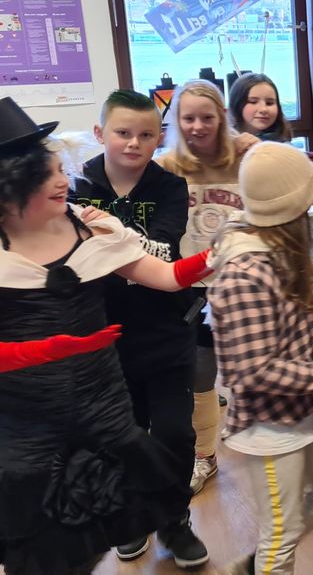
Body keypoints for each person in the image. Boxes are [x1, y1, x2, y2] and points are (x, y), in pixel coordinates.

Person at [0, 96, 213, 575]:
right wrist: (41, 351)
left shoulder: (87, 226)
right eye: (47, 175)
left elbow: (162, 273)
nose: (63, 182)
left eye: (61, 170)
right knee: (46, 531)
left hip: (109, 390)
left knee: (155, 450)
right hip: (31, 417)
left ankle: (163, 524)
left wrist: (214, 257)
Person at [68, 89, 209, 566]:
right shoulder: (74, 184)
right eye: (122, 133)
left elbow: (165, 251)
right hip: (104, 338)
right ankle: (132, 517)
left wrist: (111, 237)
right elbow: (70, 255)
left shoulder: (169, 187)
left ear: (159, 138)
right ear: (99, 133)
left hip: (166, 330)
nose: (133, 143)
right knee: (123, 436)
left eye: (146, 135)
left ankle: (174, 521)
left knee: (173, 433)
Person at [209, 143, 313, 575]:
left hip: (304, 407)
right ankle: (264, 564)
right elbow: (253, 371)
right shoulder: (245, 272)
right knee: (281, 533)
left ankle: (254, 565)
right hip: (269, 427)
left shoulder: (282, 248)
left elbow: (308, 326)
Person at [157, 79, 254, 496]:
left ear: (222, 118)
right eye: (188, 118)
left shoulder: (246, 157)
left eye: (207, 118)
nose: (198, 126)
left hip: (242, 286)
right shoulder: (167, 166)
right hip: (190, 289)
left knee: (255, 375)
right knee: (200, 378)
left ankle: (280, 453)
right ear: (177, 121)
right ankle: (205, 457)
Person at [228, 73, 293, 143]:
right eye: (253, 102)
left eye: (269, 103)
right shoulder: (224, 142)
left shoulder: (284, 146)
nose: (263, 109)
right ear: (237, 104)